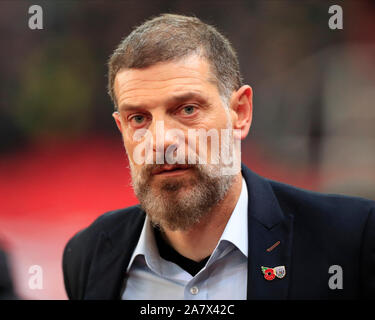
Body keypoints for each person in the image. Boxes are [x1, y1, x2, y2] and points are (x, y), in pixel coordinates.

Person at [62, 13, 375, 300]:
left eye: (187, 110)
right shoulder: (89, 255)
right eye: (139, 119)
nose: (161, 141)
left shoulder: (352, 241)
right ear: (121, 128)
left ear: (240, 112)